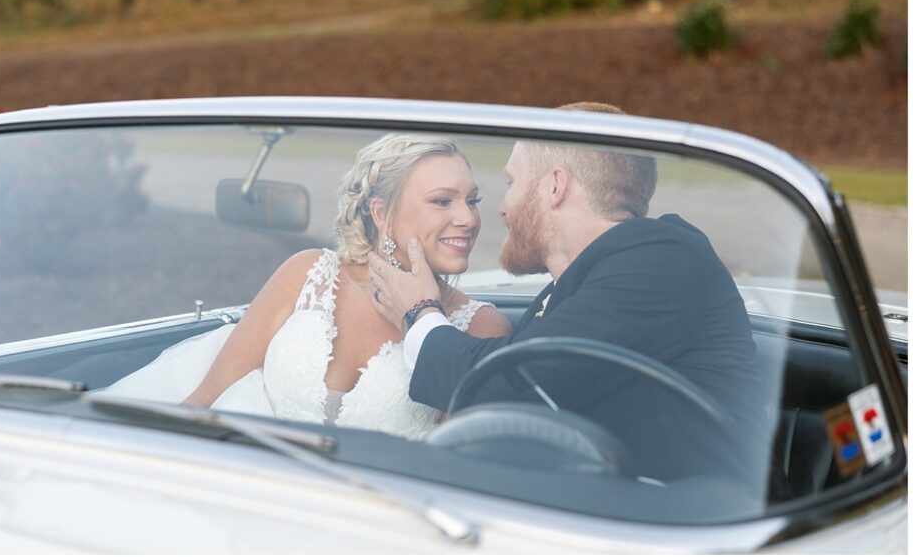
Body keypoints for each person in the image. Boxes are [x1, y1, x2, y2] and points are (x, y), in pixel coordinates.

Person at [369, 102, 771, 487]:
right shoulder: (574, 289)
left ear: (555, 186)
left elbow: (508, 386)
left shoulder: (664, 259)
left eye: (511, 183)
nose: (500, 209)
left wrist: (419, 310)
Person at [166, 133, 512, 439]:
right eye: (442, 200)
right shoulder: (307, 273)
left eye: (473, 201)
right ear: (381, 213)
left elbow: (460, 468)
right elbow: (205, 400)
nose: (468, 219)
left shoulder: (481, 328)